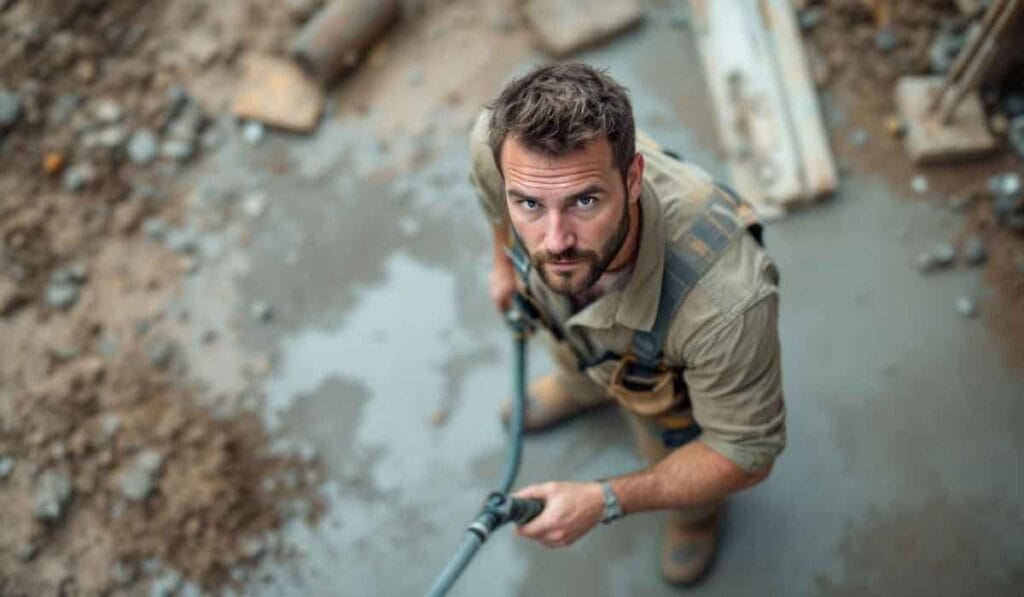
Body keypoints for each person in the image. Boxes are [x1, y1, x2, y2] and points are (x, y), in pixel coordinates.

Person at [467, 62, 786, 586]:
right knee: (568, 340)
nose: (555, 241)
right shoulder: (494, 143)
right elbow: (495, 207)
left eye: (584, 201)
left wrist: (605, 500)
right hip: (573, 327)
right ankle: (581, 386)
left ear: (633, 178)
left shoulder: (727, 305)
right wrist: (504, 266)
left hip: (663, 371)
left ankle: (696, 518)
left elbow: (746, 454)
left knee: (675, 449)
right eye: (529, 203)